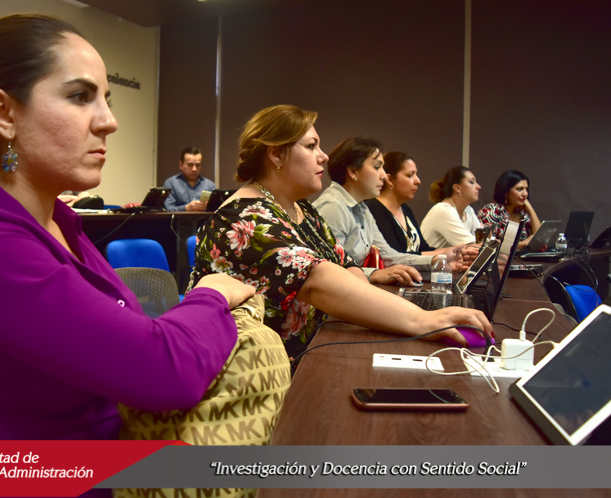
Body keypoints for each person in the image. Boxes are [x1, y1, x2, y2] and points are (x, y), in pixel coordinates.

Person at [0, 14, 255, 445]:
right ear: (3, 114)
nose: (109, 122)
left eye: (106, 100)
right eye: (80, 96)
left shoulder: (56, 220)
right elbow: (164, 371)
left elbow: (134, 338)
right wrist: (212, 292)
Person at [189, 105, 491, 360]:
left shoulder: (300, 208)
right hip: (261, 372)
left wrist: (387, 308)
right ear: (277, 155)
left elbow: (345, 266)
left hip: (312, 348)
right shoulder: (244, 218)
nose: (323, 157)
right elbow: (316, 280)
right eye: (311, 146)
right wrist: (422, 320)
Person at [314, 138, 462, 286]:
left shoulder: (362, 208)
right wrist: (373, 274)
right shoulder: (332, 206)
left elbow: (388, 256)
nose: (384, 176)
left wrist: (437, 261)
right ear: (353, 171)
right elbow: (329, 270)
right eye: (377, 167)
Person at [365, 151, 478, 262]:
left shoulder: (405, 209)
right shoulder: (374, 209)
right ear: (390, 179)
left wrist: (452, 254)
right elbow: (396, 256)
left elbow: (423, 249)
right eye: (410, 175)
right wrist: (442, 254)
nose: (418, 181)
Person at [420, 166, 483, 249]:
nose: (478, 186)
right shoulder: (443, 210)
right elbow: (470, 246)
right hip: (428, 258)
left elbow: (482, 240)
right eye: (472, 182)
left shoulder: (468, 210)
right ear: (457, 188)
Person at [478, 170, 542, 248]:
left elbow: (539, 238)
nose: (525, 194)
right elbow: (487, 244)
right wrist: (522, 244)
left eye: (526, 189)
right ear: (506, 192)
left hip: (521, 256)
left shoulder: (520, 212)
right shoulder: (491, 210)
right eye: (519, 189)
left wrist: (530, 210)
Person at [163, 147, 216, 211]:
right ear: (181, 165)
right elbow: (167, 209)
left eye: (198, 165)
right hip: (180, 218)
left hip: (203, 218)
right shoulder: (171, 183)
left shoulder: (210, 185)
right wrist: (186, 208)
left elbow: (217, 210)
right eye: (190, 165)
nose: (194, 169)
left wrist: (210, 207)